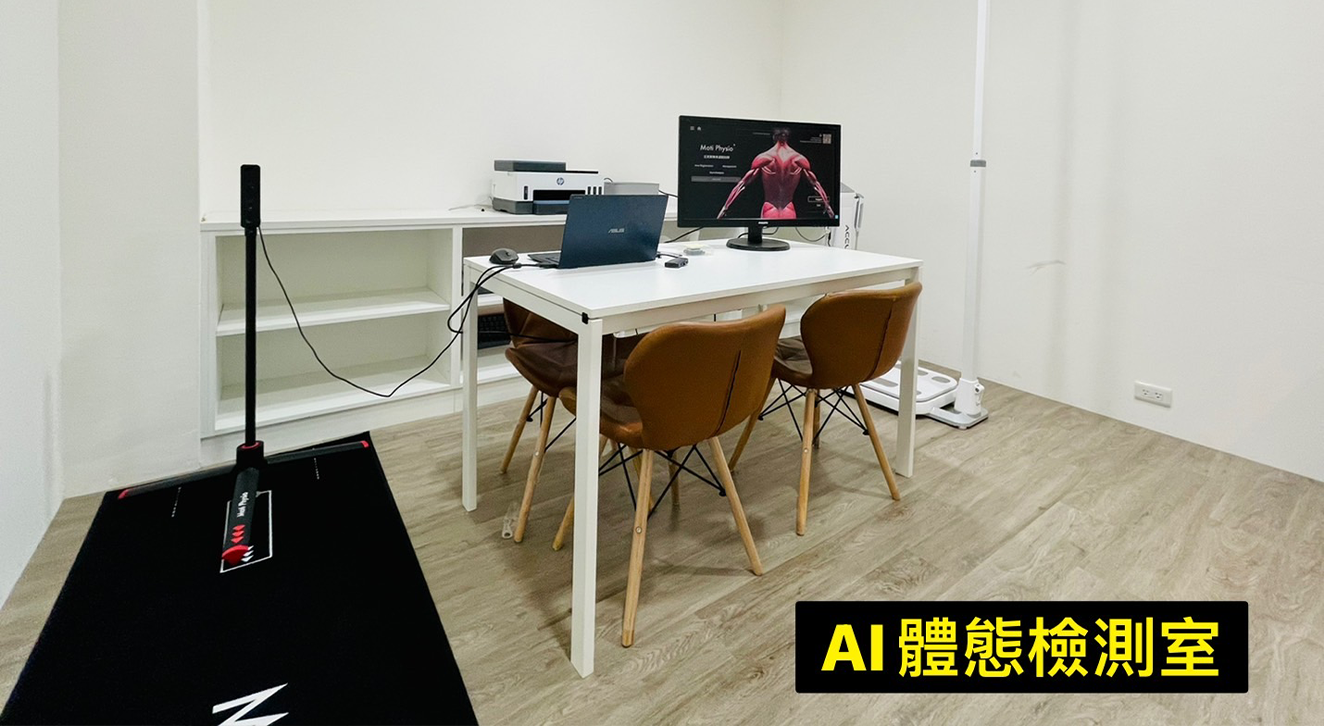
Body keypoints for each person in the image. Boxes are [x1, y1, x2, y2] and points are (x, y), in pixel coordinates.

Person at [716, 127, 836, 220]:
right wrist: (829, 209)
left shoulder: (765, 157)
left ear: (774, 137)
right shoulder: (798, 159)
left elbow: (742, 185)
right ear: (788, 137)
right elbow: (816, 185)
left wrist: (724, 209)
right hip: (789, 209)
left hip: (770, 209)